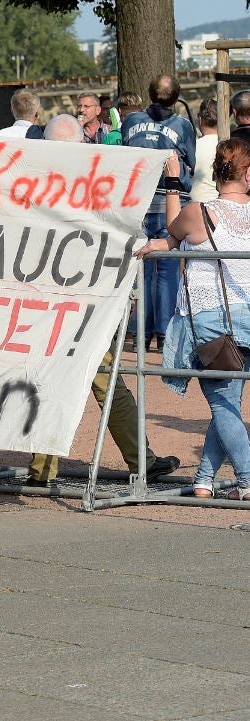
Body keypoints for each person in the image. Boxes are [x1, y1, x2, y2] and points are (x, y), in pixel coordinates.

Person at [28, 113, 179, 487]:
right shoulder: (92, 181)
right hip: (86, 303)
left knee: (57, 379)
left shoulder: (35, 182)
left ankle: (42, 469)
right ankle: (140, 459)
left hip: (49, 300)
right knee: (107, 381)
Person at [138, 140, 250, 501]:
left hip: (212, 320)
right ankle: (204, 479)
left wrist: (173, 180)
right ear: (248, 174)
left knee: (223, 403)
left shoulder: (198, 213)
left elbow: (172, 229)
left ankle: (247, 480)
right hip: (246, 316)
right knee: (229, 403)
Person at [123, 74, 196, 353]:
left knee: (142, 267)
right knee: (166, 270)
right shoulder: (183, 125)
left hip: (139, 201)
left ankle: (139, 331)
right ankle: (164, 331)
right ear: (176, 98)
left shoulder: (131, 121)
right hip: (170, 201)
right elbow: (190, 161)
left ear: (150, 94)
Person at [191, 98, 220, 203]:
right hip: (222, 205)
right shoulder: (230, 146)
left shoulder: (192, 147)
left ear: (199, 119)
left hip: (195, 207)